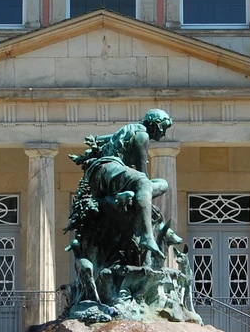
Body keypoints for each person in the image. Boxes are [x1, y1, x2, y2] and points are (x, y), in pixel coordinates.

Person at [69, 109, 174, 263]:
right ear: (155, 124)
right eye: (163, 128)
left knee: (160, 183)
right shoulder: (142, 135)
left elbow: (101, 141)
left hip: (98, 177)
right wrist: (142, 189)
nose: (163, 133)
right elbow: (142, 173)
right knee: (146, 183)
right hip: (109, 170)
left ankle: (119, 198)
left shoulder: (128, 130)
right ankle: (147, 236)